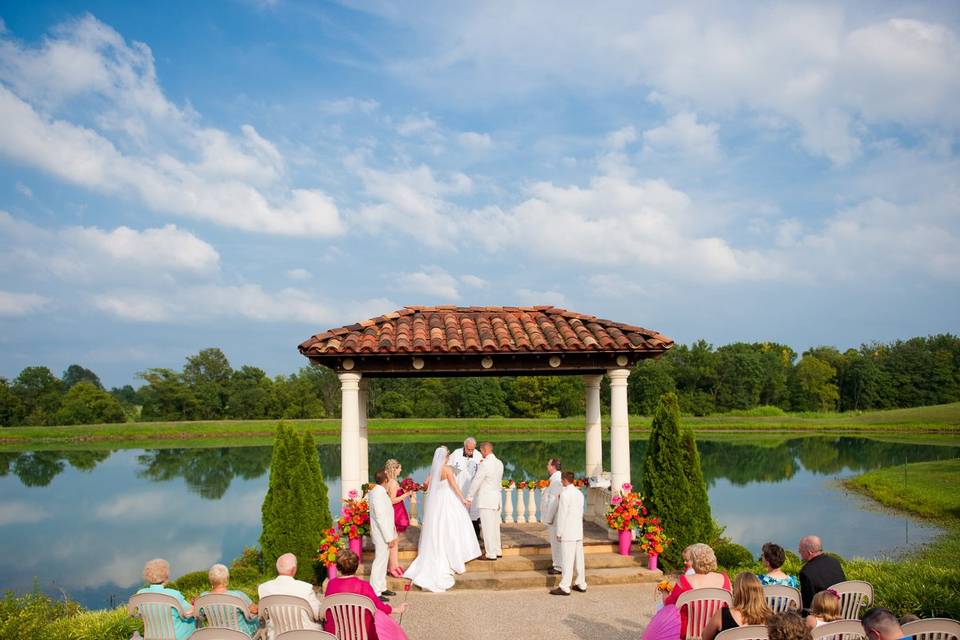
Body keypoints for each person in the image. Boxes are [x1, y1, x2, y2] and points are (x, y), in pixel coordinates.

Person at [403, 446, 481, 592]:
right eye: (448, 455)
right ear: (445, 457)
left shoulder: (433, 471)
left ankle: (440, 552)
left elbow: (426, 486)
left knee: (437, 527)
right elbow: (454, 486)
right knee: (453, 527)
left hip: (437, 502)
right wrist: (463, 499)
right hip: (448, 500)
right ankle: (455, 557)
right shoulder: (447, 470)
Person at [324, 550, 408, 638]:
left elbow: (326, 608)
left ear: (337, 567)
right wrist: (396, 609)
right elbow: (379, 606)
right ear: (356, 567)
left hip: (337, 633)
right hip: (363, 633)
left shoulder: (331, 584)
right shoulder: (364, 586)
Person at [663, 543, 731, 638]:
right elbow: (730, 609)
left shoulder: (683, 581)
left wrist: (665, 592)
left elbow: (669, 605)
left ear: (694, 561)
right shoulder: (725, 579)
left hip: (686, 636)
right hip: (715, 635)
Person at [258, 553, 322, 638]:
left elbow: (264, 616)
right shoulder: (305, 588)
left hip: (277, 636)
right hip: (306, 636)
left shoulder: (263, 588)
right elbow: (318, 615)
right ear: (294, 569)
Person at [135, 558, 196, 640]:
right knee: (195, 620)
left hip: (151, 636)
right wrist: (195, 605)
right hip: (176, 636)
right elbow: (190, 611)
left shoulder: (140, 594)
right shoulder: (173, 594)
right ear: (166, 575)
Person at [703, 572, 772, 640]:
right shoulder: (770, 617)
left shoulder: (723, 615)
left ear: (737, 592)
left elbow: (705, 637)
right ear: (760, 592)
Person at [550, 470, 587, 596]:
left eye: (562, 480)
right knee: (579, 559)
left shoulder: (565, 494)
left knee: (567, 559)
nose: (561, 481)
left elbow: (562, 515)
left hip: (567, 531)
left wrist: (559, 532)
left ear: (565, 480)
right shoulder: (579, 493)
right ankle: (581, 583)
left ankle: (565, 586)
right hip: (578, 531)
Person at [466, 441, 504, 561]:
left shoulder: (486, 464)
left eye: (481, 451)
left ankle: (490, 554)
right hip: (497, 499)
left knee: (487, 528)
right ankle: (497, 550)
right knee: (495, 527)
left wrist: (469, 497)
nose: (481, 453)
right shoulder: (499, 463)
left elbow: (477, 481)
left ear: (485, 451)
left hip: (486, 499)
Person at [199, 563, 259, 637]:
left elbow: (200, 616)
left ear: (210, 580)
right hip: (242, 636)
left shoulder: (203, 597)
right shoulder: (238, 595)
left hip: (216, 637)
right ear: (226, 579)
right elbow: (255, 610)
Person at [369, 469, 398, 601]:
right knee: (379, 562)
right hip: (382, 534)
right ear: (385, 480)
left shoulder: (378, 491)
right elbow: (380, 518)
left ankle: (381, 587)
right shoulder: (378, 494)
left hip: (384, 532)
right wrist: (389, 537)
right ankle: (375, 592)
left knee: (383, 561)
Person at [798, 535, 846, 612]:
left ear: (809, 552)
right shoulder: (834, 562)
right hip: (842, 611)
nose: (799, 552)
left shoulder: (806, 572)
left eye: (801, 550)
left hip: (823, 616)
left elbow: (808, 604)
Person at [450, 437, 483, 540]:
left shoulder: (478, 455)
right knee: (459, 512)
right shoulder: (456, 453)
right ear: (464, 446)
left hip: (473, 491)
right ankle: (459, 536)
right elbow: (449, 468)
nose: (470, 451)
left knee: (474, 514)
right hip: (459, 489)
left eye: (472, 449)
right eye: (468, 449)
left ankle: (475, 537)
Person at [384, 459, 412, 578]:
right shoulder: (393, 483)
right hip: (395, 513)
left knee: (395, 542)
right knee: (393, 542)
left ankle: (394, 565)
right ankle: (392, 567)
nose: (401, 470)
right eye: (399, 468)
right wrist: (406, 494)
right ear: (394, 469)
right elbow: (392, 500)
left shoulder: (389, 481)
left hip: (395, 512)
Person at [540, 458, 564, 575]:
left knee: (556, 542)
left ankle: (558, 566)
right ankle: (557, 563)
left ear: (553, 466)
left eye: (548, 464)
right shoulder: (554, 480)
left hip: (555, 518)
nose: (547, 466)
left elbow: (554, 502)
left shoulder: (556, 481)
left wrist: (548, 518)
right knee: (554, 542)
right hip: (554, 517)